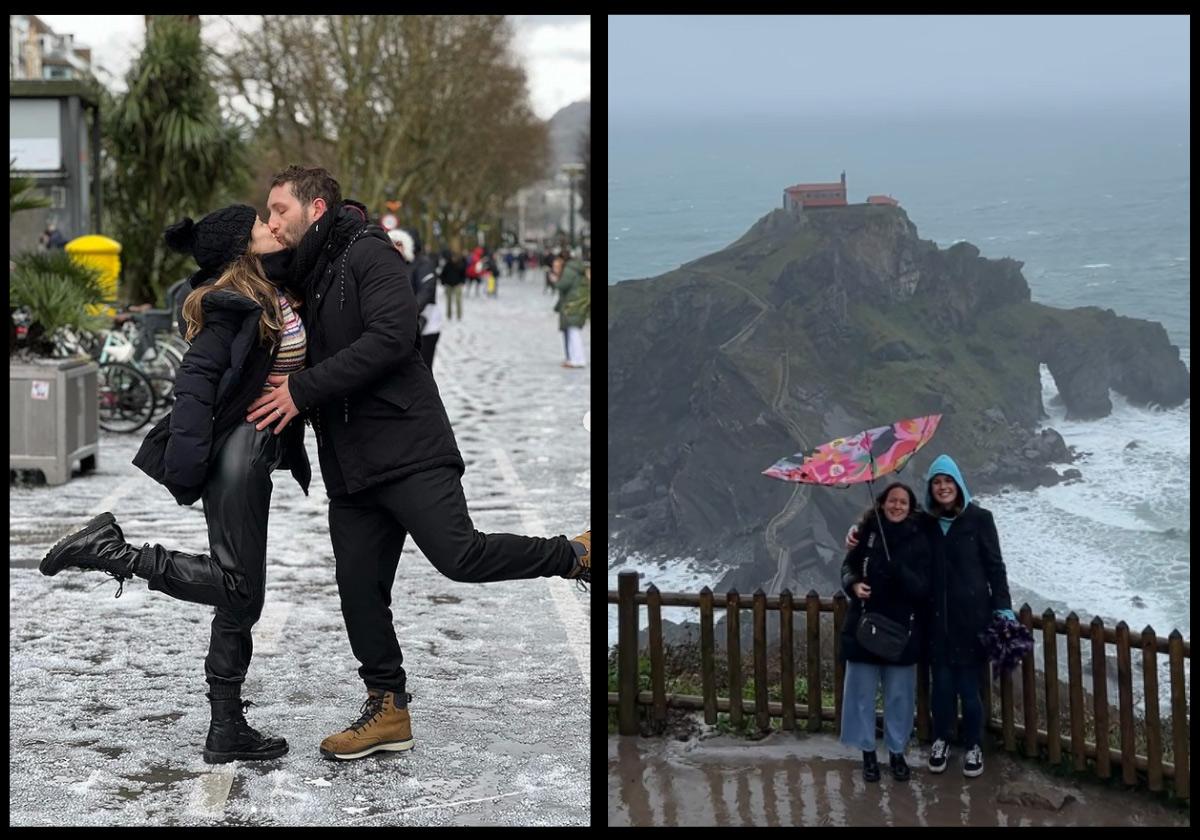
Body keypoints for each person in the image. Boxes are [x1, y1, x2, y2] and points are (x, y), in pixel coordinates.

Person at [251, 165, 591, 761]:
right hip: (351, 464)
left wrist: (302, 391)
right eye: (268, 213)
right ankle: (387, 709)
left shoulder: (367, 253)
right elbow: (246, 267)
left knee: (461, 557)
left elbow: (392, 335)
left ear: (317, 209)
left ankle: (575, 554)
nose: (272, 221)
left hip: (407, 446)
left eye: (280, 210)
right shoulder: (308, 270)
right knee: (358, 589)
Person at [39, 205, 312, 765]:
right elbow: (193, 385)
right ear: (242, 244)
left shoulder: (267, 289)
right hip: (236, 454)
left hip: (254, 451)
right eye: (261, 222)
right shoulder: (229, 307)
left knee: (241, 600)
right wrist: (191, 462)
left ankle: (226, 728)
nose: (270, 226)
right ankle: (114, 553)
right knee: (237, 589)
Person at [846, 453, 1014, 779]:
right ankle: (941, 740)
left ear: (959, 484)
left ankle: (974, 745)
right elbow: (890, 518)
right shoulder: (927, 522)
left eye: (948, 481)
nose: (943, 487)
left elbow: (996, 567)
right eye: (937, 482)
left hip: (972, 619)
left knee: (969, 688)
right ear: (931, 488)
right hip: (935, 621)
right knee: (941, 688)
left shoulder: (981, 518)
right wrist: (856, 529)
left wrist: (1003, 609)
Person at [839, 482, 931, 783]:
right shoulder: (866, 532)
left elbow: (922, 588)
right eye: (892, 501)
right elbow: (847, 567)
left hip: (901, 632)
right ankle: (867, 753)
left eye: (903, 502)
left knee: (900, 698)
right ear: (882, 503)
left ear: (911, 506)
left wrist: (899, 570)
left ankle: (896, 752)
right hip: (863, 628)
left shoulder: (920, 538)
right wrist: (852, 584)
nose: (897, 506)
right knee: (862, 696)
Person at [388, 228, 442, 371]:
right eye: (393, 243)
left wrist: (409, 312)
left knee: (422, 369)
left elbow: (426, 291)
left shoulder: (424, 264)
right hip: (402, 325)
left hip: (425, 325)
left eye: (400, 243)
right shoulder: (396, 264)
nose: (396, 247)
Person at [554, 253, 588, 368]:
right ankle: (575, 358)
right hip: (576, 303)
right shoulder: (576, 268)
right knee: (573, 332)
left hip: (572, 305)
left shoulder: (569, 270)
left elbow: (562, 285)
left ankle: (577, 359)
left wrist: (556, 278)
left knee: (574, 333)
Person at [440, 246, 466, 321]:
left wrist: (462, 282)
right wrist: (443, 282)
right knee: (449, 301)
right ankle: (449, 316)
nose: (454, 259)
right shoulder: (447, 265)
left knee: (458, 300)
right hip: (448, 285)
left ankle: (459, 316)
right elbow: (443, 274)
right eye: (453, 257)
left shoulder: (460, 264)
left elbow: (463, 274)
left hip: (457, 284)